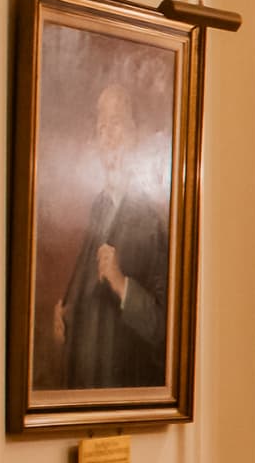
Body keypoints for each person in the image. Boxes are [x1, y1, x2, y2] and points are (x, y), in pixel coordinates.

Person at [46, 69, 171, 391]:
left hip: (123, 390)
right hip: (84, 392)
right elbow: (86, 293)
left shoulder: (151, 222)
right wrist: (66, 312)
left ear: (135, 134)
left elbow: (165, 331)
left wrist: (121, 284)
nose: (107, 135)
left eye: (115, 123)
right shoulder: (98, 208)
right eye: (101, 126)